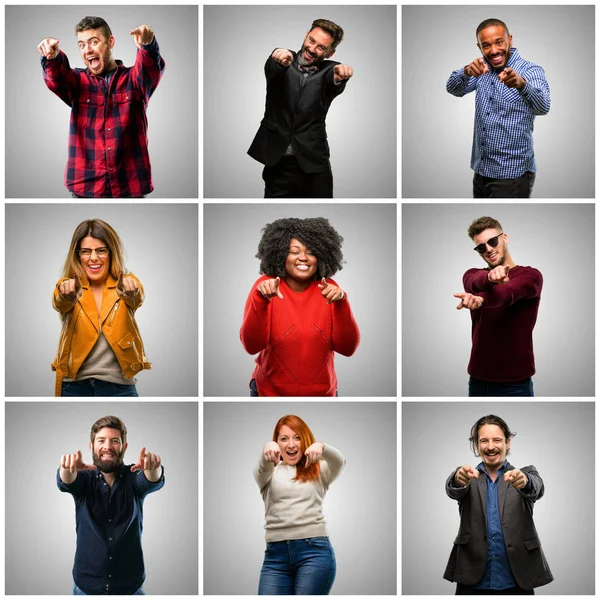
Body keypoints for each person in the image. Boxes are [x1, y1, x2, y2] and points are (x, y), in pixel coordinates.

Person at [38, 16, 165, 198]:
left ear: (110, 42)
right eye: (82, 45)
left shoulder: (135, 81)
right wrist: (51, 57)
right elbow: (57, 77)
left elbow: (151, 67)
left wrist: (148, 45)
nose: (87, 50)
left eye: (94, 42)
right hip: (85, 188)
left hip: (130, 187)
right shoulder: (78, 83)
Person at [240, 217, 360, 396]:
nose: (303, 258)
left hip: (324, 395)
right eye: (294, 251)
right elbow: (252, 346)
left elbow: (348, 349)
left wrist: (341, 302)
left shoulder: (329, 287)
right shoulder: (266, 286)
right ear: (281, 254)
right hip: (269, 393)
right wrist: (261, 299)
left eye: (311, 252)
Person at [444, 414, 553, 594]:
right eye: (484, 441)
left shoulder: (525, 473)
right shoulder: (467, 475)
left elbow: (537, 488)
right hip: (472, 578)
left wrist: (525, 481)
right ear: (476, 445)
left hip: (517, 579)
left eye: (497, 440)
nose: (491, 446)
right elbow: (452, 488)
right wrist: (457, 478)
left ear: (507, 442)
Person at [58, 415, 164, 595]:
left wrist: (153, 467)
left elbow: (151, 478)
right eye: (101, 440)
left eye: (114, 441)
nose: (107, 446)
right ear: (91, 446)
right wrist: (66, 469)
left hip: (130, 590)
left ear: (124, 446)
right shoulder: (84, 479)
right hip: (86, 590)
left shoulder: (133, 477)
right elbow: (67, 480)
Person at [248, 19, 354, 198]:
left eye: (321, 47)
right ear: (306, 36)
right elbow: (274, 67)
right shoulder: (283, 61)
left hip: (314, 164)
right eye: (311, 41)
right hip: (278, 162)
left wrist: (340, 76)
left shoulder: (330, 70)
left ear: (330, 52)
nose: (312, 49)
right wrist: (279, 58)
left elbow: (334, 79)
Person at [446, 18, 550, 198]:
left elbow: (543, 107)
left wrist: (522, 85)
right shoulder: (481, 69)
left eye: (499, 42)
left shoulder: (531, 71)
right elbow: (453, 89)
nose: (493, 51)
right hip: (481, 170)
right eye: (486, 45)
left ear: (510, 39)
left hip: (513, 175)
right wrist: (466, 71)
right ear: (479, 47)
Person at [51, 219, 151, 396]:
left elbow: (137, 297)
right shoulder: (68, 285)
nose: (94, 258)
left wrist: (129, 292)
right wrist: (67, 294)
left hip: (119, 385)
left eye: (101, 250)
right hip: (73, 385)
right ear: (77, 255)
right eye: (86, 251)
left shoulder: (128, 282)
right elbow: (60, 301)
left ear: (111, 253)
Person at [254, 415, 345, 595]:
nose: (291, 445)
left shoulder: (319, 470)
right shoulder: (269, 473)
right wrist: (266, 448)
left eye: (297, 437)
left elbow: (339, 461)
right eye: (283, 439)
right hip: (275, 559)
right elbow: (263, 466)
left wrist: (322, 446)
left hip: (315, 553)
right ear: (277, 443)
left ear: (305, 440)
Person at [454, 216, 542, 396]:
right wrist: (488, 278)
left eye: (493, 241)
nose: (489, 249)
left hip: (516, 385)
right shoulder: (474, 276)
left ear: (505, 238)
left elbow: (506, 294)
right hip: (478, 382)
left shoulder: (530, 275)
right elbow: (472, 280)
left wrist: (481, 300)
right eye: (481, 247)